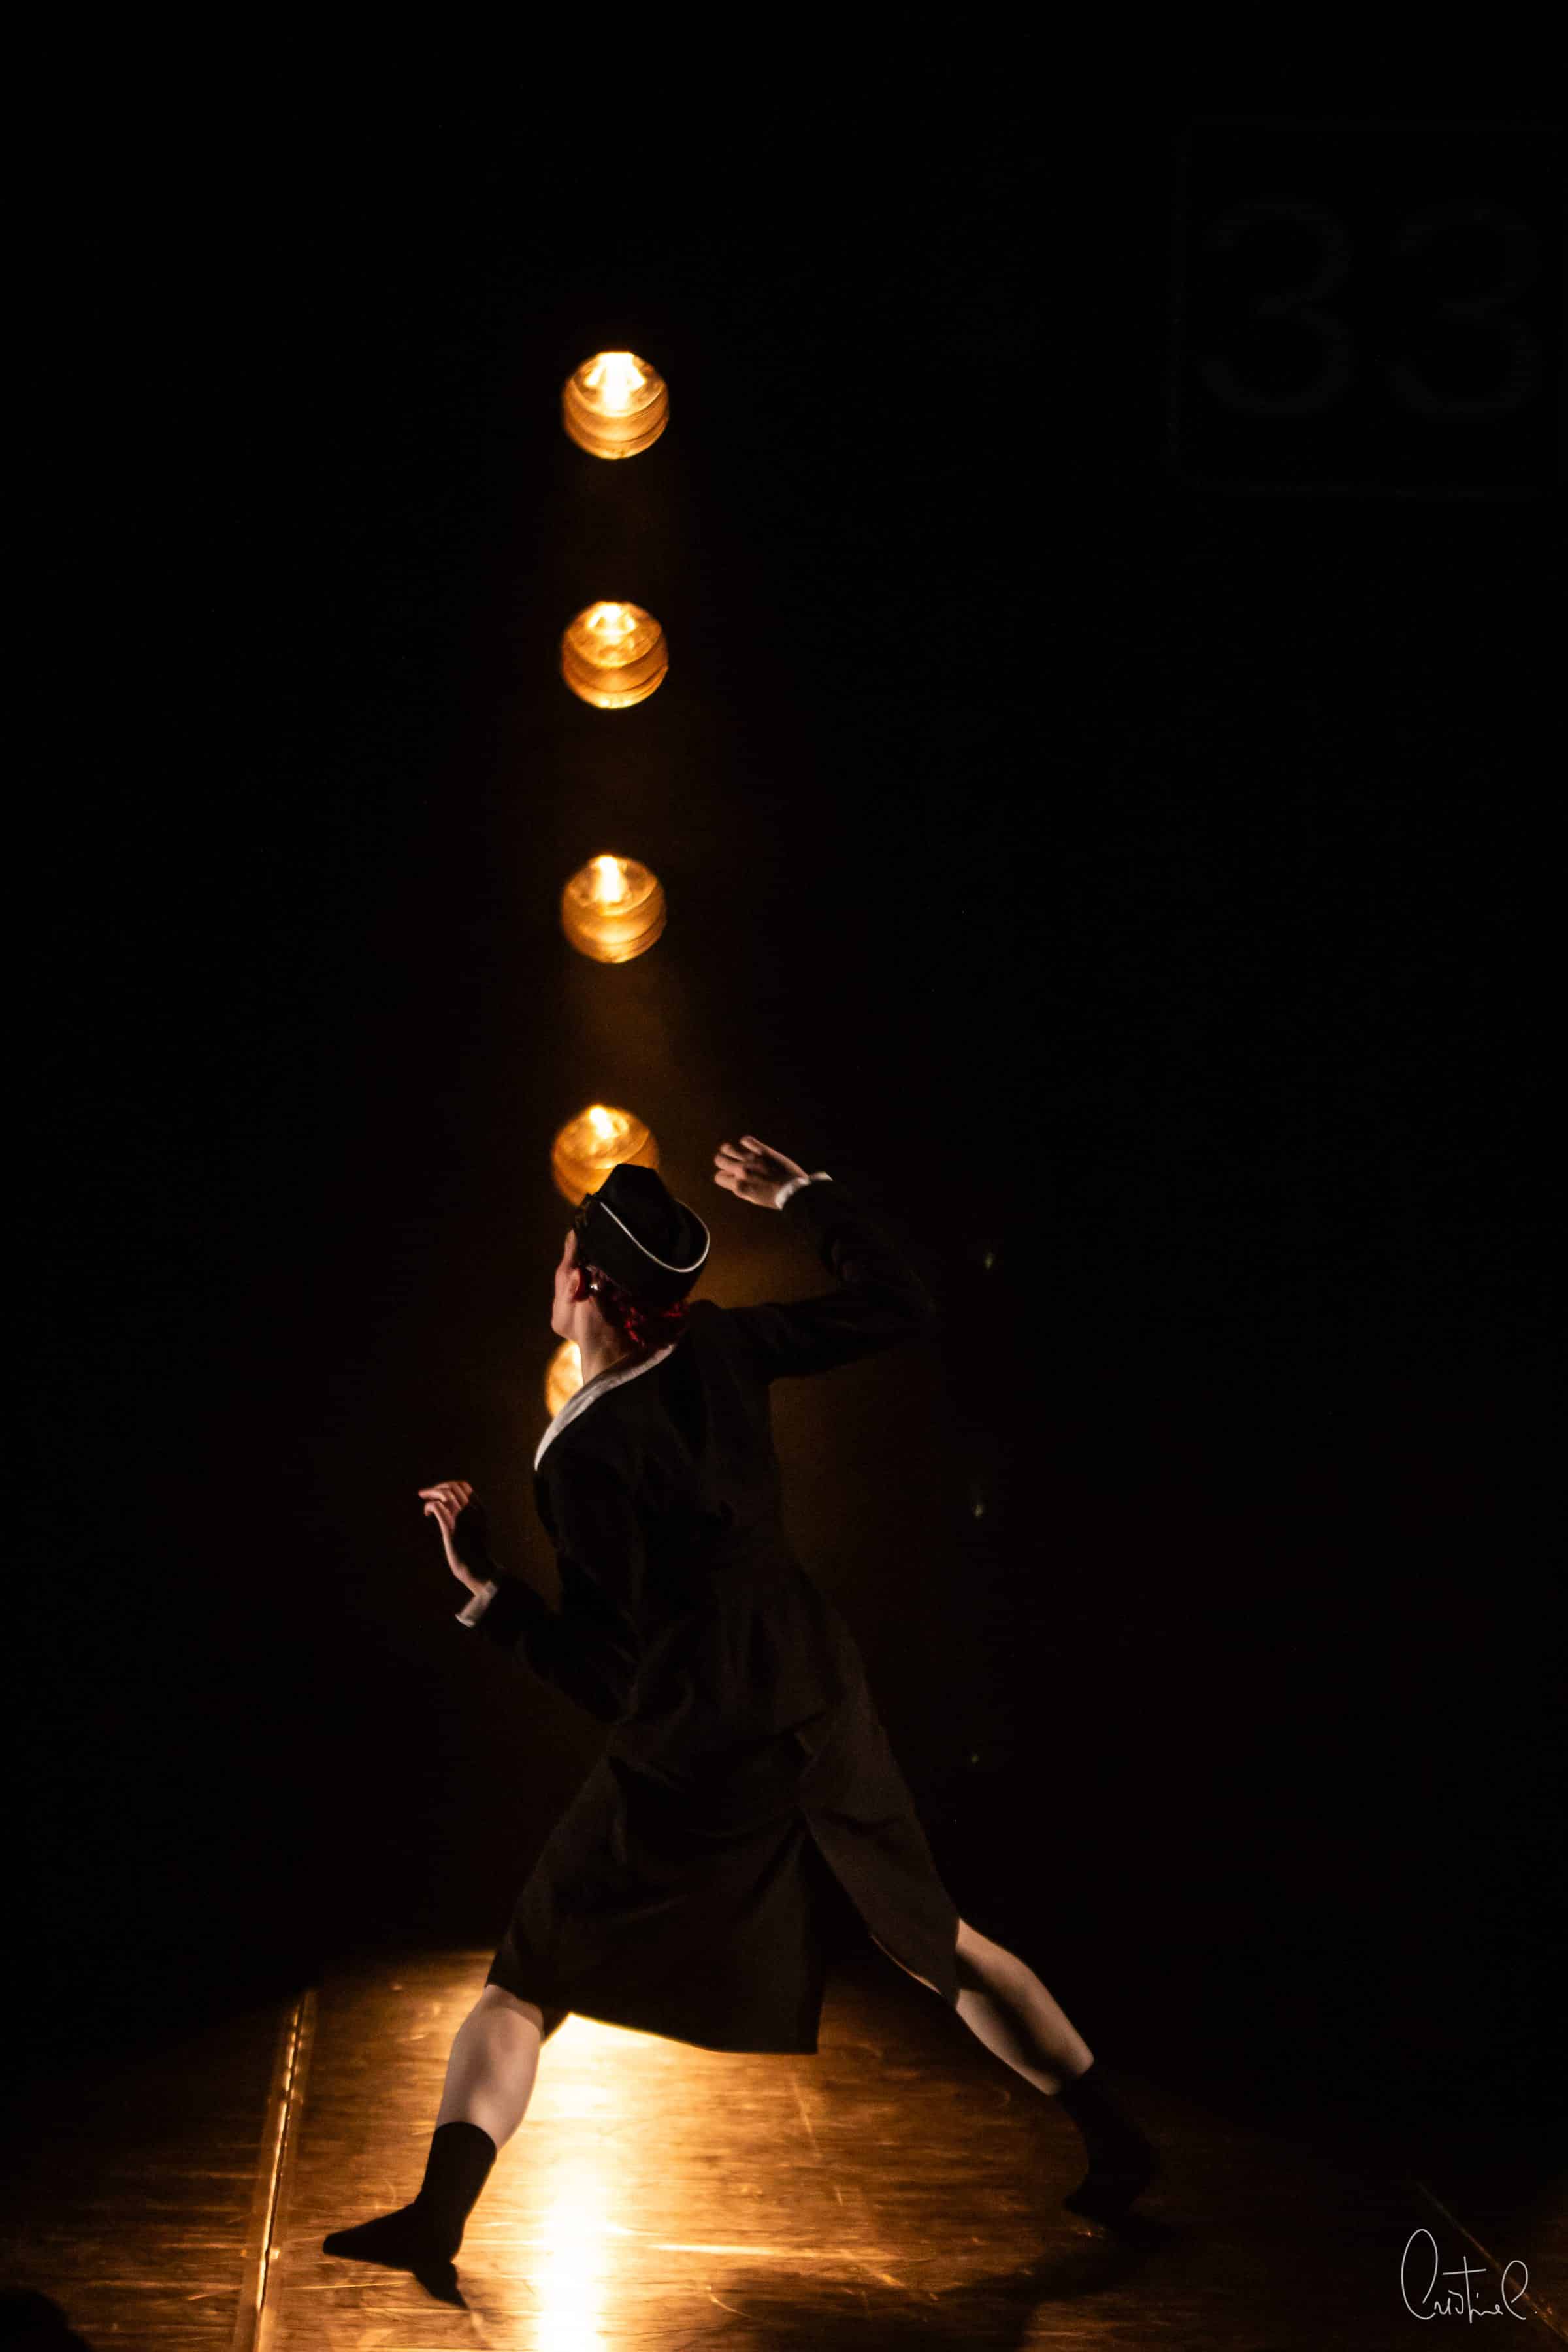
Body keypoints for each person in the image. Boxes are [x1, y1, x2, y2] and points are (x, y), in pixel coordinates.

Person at [324, 1136, 1156, 2299]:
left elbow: (614, 1677)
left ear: (589, 1284)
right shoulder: (723, 1346)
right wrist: (807, 1196)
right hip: (814, 1699)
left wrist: (491, 1594)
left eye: (563, 1260)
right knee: (937, 1940)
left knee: (525, 1983)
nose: (553, 1274)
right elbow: (899, 1302)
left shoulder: (580, 1458)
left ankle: (437, 2218)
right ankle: (1118, 2142)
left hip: (699, 1745)